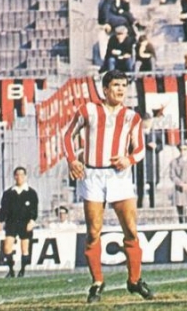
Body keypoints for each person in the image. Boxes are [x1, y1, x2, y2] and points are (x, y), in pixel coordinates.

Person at [63, 70, 154, 303]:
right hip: (92, 175)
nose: (121, 89)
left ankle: (134, 280)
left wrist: (128, 159)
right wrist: (72, 160)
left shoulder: (132, 116)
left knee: (130, 230)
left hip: (119, 176)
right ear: (105, 89)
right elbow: (67, 135)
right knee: (94, 231)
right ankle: (97, 282)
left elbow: (140, 149)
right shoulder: (88, 110)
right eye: (116, 85)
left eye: (124, 85)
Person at [0, 166, 38, 278]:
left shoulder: (31, 193)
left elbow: (34, 209)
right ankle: (11, 270)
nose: (19, 177)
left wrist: (32, 221)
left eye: (22, 175)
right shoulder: (8, 193)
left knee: (24, 248)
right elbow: (3, 209)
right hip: (11, 223)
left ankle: (22, 270)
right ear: (14, 177)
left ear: (25, 176)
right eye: (17, 175)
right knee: (7, 247)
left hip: (25, 223)